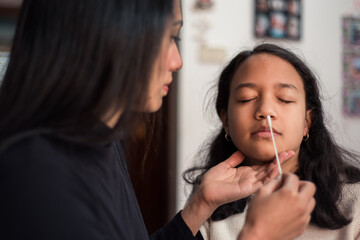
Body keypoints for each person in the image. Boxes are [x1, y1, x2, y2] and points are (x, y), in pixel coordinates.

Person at [0, 0, 315, 239]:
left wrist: (198, 207)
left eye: (285, 99)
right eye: (166, 37)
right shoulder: (33, 174)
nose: (177, 61)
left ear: (308, 123)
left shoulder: (101, 142)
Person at [184, 43, 360, 240]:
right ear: (226, 121)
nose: (265, 110)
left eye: (284, 99)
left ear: (307, 122)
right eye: (246, 98)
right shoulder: (210, 199)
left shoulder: (355, 202)